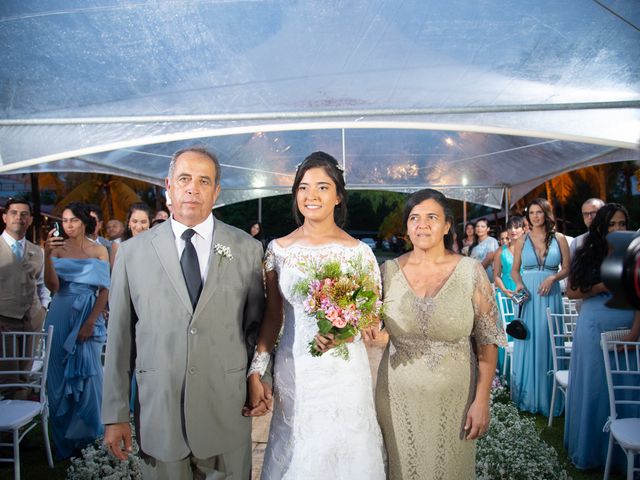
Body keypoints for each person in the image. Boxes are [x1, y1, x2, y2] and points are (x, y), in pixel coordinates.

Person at [103, 147, 265, 480]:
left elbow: (257, 329)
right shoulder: (132, 253)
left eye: (204, 181)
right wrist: (115, 414)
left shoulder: (246, 249)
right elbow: (119, 338)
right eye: (184, 179)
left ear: (217, 191)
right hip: (160, 415)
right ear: (169, 186)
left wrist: (262, 379)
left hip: (227, 412)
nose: (193, 188)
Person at [247, 151, 385, 479]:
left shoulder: (361, 254)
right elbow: (272, 318)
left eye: (322, 187)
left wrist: (344, 331)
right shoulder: (278, 250)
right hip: (297, 371)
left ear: (338, 196)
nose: (312, 195)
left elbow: (370, 320)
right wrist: (256, 372)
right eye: (304, 187)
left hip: (346, 374)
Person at [375, 188, 505, 479]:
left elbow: (487, 342)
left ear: (447, 225)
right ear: (407, 227)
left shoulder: (471, 272)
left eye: (431, 217)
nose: (422, 224)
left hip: (455, 401)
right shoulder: (386, 272)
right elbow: (368, 327)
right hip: (395, 397)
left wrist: (482, 400)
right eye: (414, 218)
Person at [563, 203, 640, 471]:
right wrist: (602, 285)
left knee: (627, 384)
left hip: (629, 328)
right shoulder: (588, 252)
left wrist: (633, 333)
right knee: (595, 386)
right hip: (593, 326)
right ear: (601, 227)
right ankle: (593, 450)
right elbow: (572, 291)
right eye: (612, 224)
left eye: (622, 224)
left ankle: (625, 453)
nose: (618, 229)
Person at [43, 202, 110, 459]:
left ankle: (92, 439)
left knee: (91, 377)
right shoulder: (57, 250)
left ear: (84, 221)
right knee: (58, 379)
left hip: (89, 313)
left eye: (73, 220)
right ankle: (65, 445)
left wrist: (91, 322)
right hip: (60, 313)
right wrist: (46, 256)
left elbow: (105, 289)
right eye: (65, 220)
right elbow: (53, 286)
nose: (68, 225)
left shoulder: (99, 250)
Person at [511, 198, 570, 417]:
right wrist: (519, 286)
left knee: (549, 341)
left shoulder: (560, 238)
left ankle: (550, 397)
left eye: (539, 212)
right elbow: (515, 271)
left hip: (550, 295)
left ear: (546, 213)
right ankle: (527, 397)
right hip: (529, 297)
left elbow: (567, 269)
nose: (535, 216)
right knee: (528, 341)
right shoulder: (522, 241)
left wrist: (553, 277)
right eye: (532, 213)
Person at [0, 198, 50, 399]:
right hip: (3, 321)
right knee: (7, 376)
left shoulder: (38, 251)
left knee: (25, 373)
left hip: (32, 319)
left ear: (29, 220)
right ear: (4, 217)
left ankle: (17, 424)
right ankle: (7, 426)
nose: (18, 218)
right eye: (13, 213)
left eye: (24, 214)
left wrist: (43, 309)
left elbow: (42, 284)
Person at [493, 216, 525, 298]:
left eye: (517, 227)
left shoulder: (529, 249)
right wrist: (504, 290)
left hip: (526, 288)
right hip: (507, 291)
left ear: (523, 230)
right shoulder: (500, 251)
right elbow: (496, 275)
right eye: (510, 228)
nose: (513, 230)